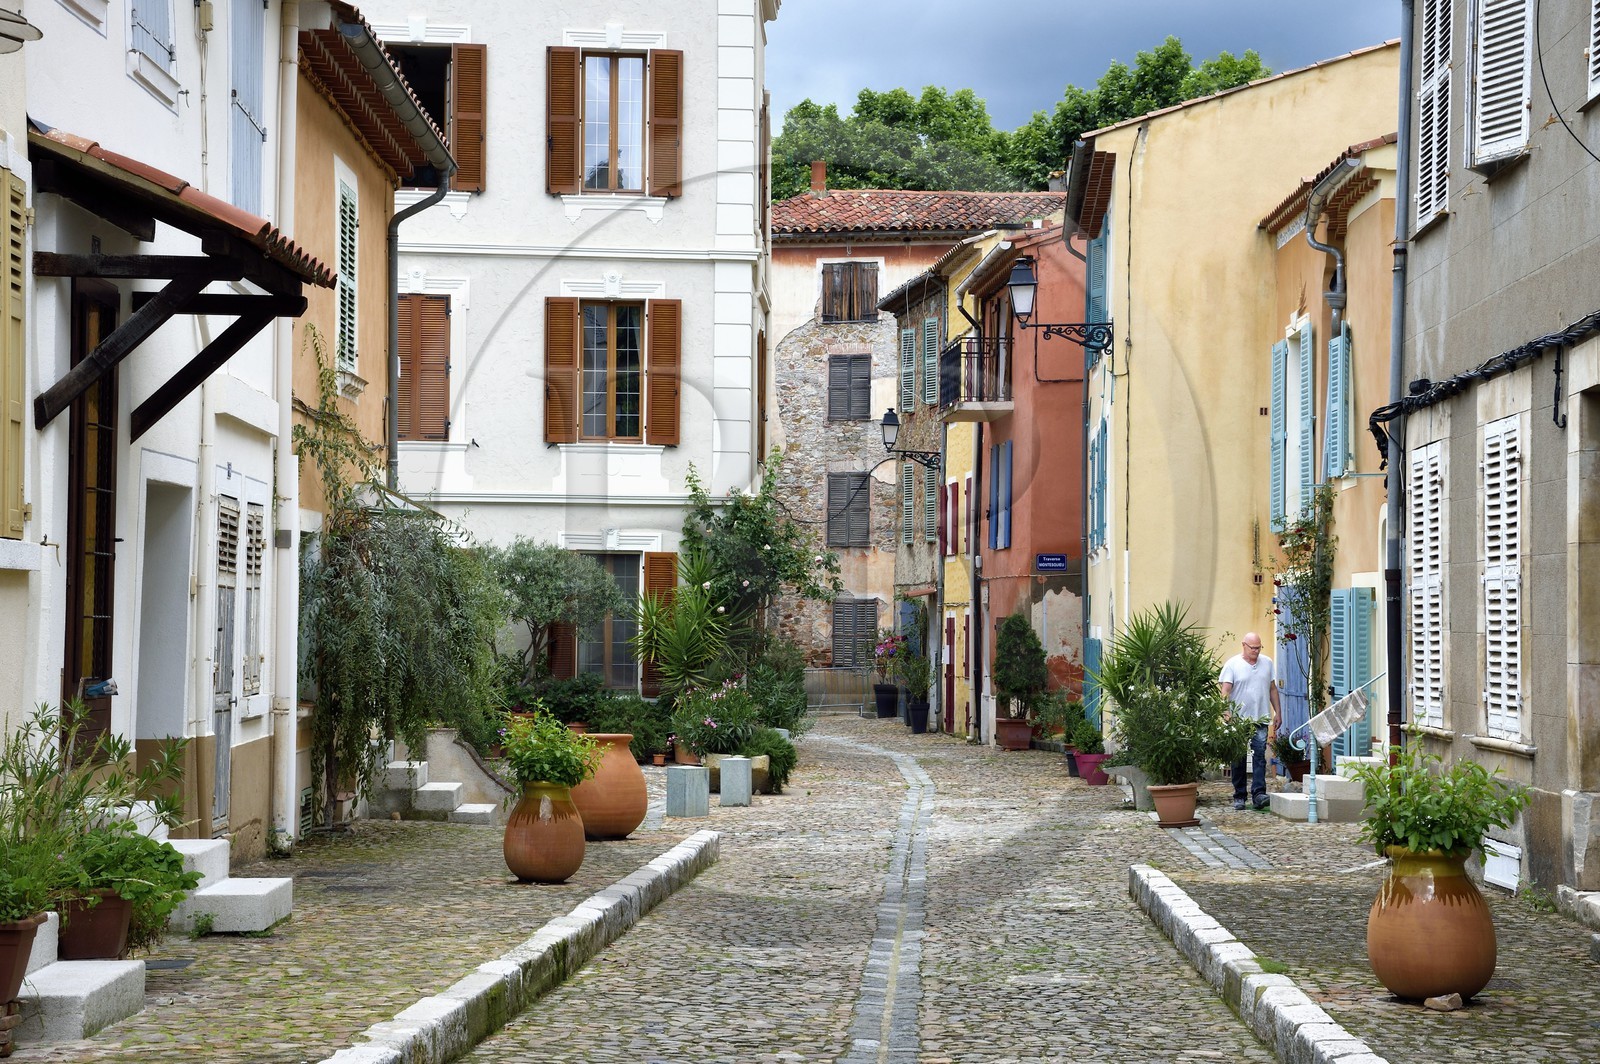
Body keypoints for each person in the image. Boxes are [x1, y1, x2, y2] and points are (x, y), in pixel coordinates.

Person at [1219, 632, 1281, 811]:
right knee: (1238, 757)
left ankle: (1259, 794)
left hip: (1260, 718)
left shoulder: (1267, 663)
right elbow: (1225, 691)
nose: (1256, 651)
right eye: (1252, 648)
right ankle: (1239, 795)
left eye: (1258, 647)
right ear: (1244, 645)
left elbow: (1272, 689)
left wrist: (1278, 712)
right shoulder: (1233, 664)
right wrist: (1226, 713)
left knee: (1259, 756)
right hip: (1238, 720)